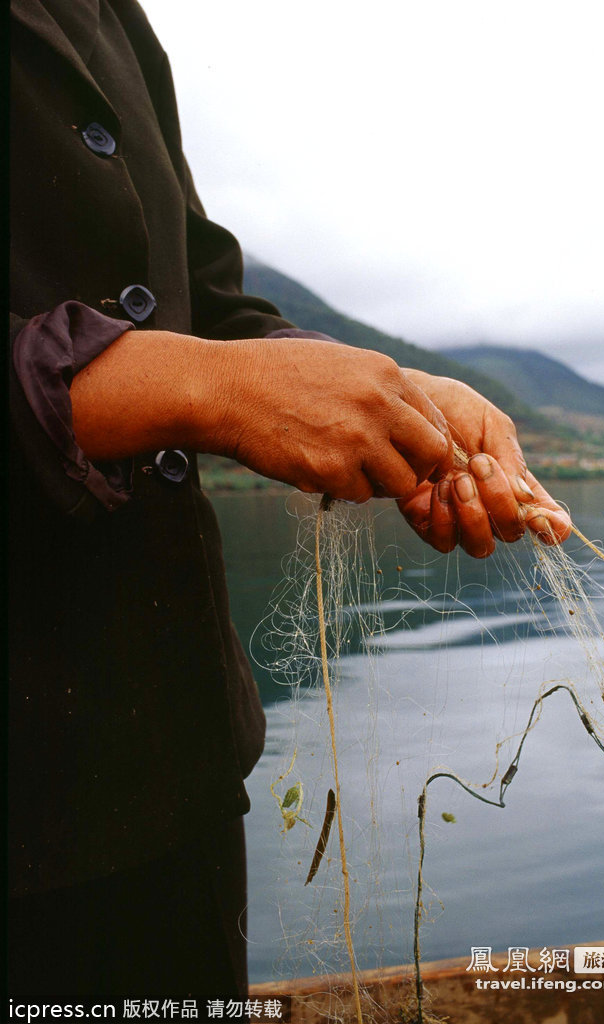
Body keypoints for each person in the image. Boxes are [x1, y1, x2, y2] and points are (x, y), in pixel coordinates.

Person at [8, 0, 571, 1006]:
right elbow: (203, 370)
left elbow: (207, 305)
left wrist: (391, 397)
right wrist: (208, 392)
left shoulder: (117, 22)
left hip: (171, 780)